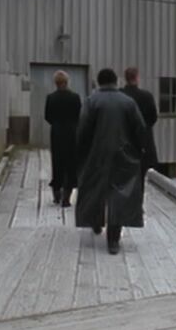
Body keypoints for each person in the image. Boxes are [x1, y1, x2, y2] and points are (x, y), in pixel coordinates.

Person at [75, 68, 149, 254]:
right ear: (116, 81)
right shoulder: (128, 102)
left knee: (94, 188)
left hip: (97, 153)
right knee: (120, 194)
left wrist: (82, 152)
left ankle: (95, 222)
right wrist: (139, 150)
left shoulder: (91, 101)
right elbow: (140, 128)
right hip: (123, 154)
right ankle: (113, 240)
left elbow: (83, 129)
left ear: (99, 82)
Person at [44, 70, 82, 207]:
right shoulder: (75, 97)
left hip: (57, 133)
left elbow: (47, 116)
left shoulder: (51, 97)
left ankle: (56, 194)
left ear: (56, 82)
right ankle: (67, 197)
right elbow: (79, 115)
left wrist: (56, 123)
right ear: (67, 81)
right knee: (71, 164)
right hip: (71, 133)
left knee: (57, 162)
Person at [121, 67, 159, 173]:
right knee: (143, 171)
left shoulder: (120, 95)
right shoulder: (147, 96)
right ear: (137, 78)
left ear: (126, 78)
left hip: (124, 139)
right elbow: (153, 118)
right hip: (144, 140)